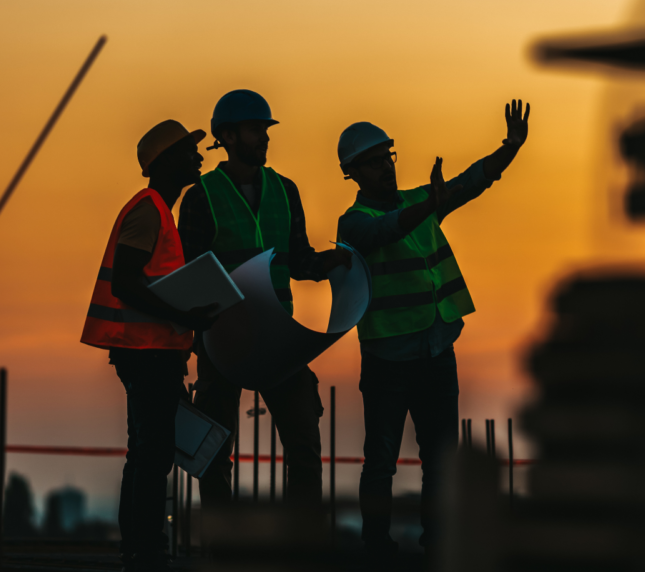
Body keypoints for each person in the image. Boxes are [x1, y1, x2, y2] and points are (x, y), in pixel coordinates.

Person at [335, 100, 530, 561]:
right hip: (388, 361)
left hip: (436, 350)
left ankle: (438, 545)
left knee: (440, 461)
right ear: (354, 172)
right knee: (380, 461)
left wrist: (510, 148)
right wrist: (429, 206)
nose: (386, 166)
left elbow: (471, 182)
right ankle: (376, 548)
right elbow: (385, 230)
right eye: (375, 161)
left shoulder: (422, 202)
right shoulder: (354, 223)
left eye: (389, 156)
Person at [178, 90, 351, 518]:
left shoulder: (284, 191)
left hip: (277, 340)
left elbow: (297, 260)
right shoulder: (202, 195)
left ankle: (299, 551)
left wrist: (330, 264)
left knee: (305, 448)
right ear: (229, 136)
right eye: (256, 130)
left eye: (265, 130)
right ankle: (225, 553)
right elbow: (189, 276)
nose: (264, 138)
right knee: (215, 453)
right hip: (222, 342)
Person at [80, 120, 218, 571]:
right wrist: (184, 316)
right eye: (189, 151)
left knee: (145, 451)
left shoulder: (160, 210)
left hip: (152, 352)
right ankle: (146, 549)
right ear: (165, 162)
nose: (198, 158)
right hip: (144, 353)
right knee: (152, 452)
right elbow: (126, 282)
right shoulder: (149, 210)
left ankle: (139, 546)